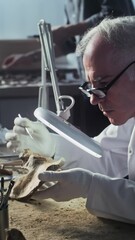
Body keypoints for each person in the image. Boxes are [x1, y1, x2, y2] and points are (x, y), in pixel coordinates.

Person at [5, 16, 135, 224]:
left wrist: (93, 186)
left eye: (103, 84)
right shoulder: (131, 117)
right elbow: (106, 157)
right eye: (90, 86)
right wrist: (52, 147)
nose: (93, 99)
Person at [2, 0, 135, 137]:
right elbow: (70, 44)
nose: (93, 100)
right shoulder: (70, 4)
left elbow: (118, 22)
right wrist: (29, 58)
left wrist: (67, 30)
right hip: (93, 86)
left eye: (104, 82)